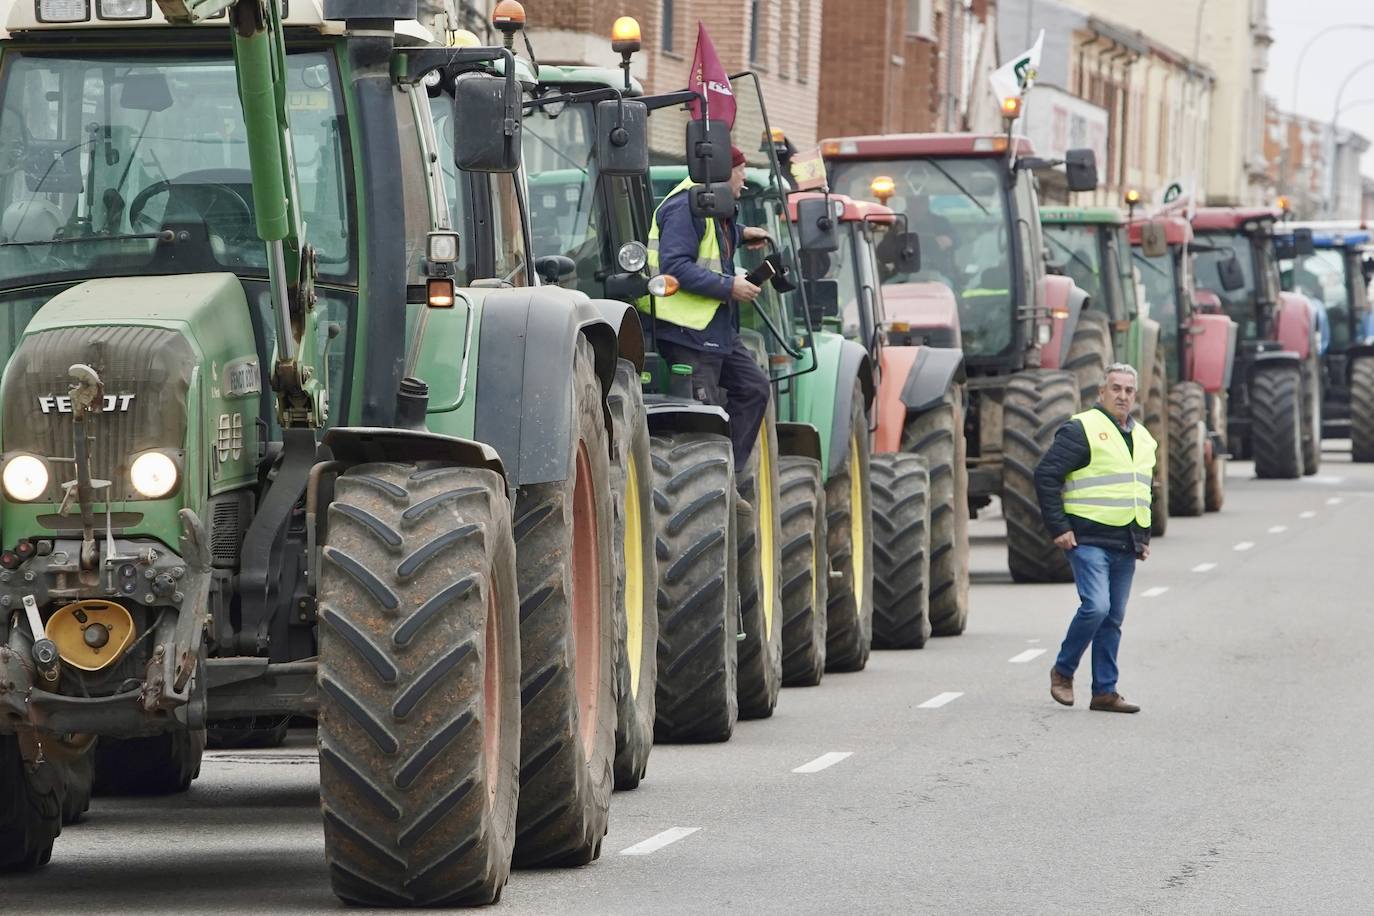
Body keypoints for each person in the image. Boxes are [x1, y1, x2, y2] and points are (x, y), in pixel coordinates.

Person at [1034, 363, 1156, 714]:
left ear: (1135, 395)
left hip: (1125, 544)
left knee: (1113, 618)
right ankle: (1063, 670)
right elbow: (1045, 475)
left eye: (1129, 390)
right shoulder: (1081, 429)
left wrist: (1143, 536)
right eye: (1115, 388)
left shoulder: (1144, 438)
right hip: (1087, 540)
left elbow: (1143, 490)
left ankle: (1104, 691)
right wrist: (1059, 528)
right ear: (1101, 393)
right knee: (1096, 607)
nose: (1122, 396)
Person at [642, 145, 771, 469]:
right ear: (725, 171)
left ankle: (732, 473)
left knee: (754, 388)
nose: (744, 180)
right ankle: (717, 481)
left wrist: (741, 234)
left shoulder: (711, 205)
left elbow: (707, 241)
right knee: (705, 418)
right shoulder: (686, 206)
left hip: (714, 328)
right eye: (741, 172)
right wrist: (730, 286)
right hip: (688, 332)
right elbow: (675, 266)